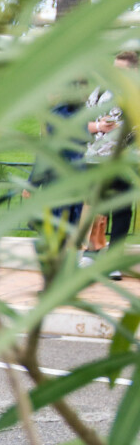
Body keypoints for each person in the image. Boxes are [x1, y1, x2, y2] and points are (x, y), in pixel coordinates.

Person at [82, 50, 138, 281]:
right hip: (96, 159)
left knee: (122, 210)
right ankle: (92, 253)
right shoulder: (100, 91)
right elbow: (83, 123)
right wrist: (99, 126)